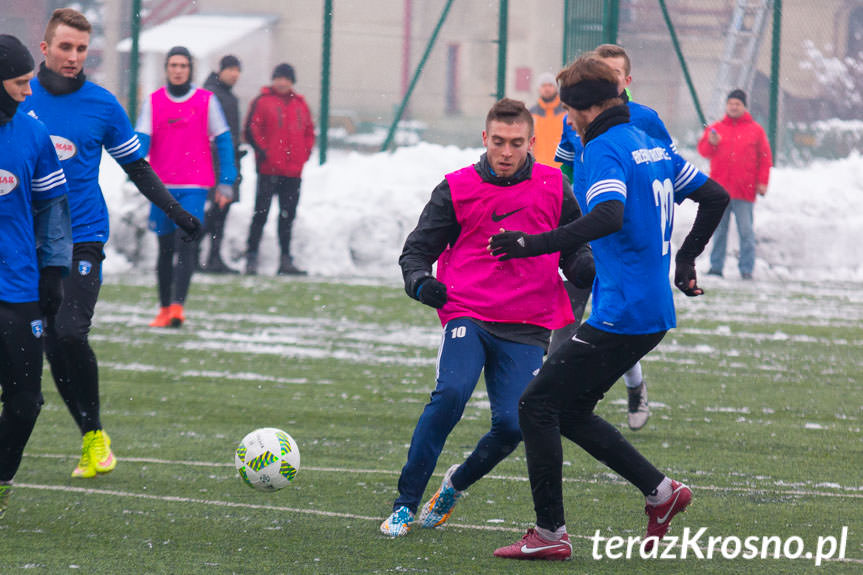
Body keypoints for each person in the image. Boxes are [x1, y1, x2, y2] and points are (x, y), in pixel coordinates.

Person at [489, 56, 728, 561]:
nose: (566, 120)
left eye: (568, 111)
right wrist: (684, 259)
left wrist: (531, 244)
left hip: (623, 312)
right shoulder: (649, 142)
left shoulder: (601, 146)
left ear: (584, 107)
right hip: (652, 310)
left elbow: (607, 214)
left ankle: (550, 534)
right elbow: (715, 195)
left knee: (535, 406)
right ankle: (661, 493)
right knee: (568, 409)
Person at [380, 98, 594, 538]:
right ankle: (405, 504)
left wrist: (583, 267)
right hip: (468, 313)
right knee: (451, 394)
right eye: (498, 141)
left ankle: (455, 485)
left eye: (516, 143)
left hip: (529, 323)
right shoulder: (456, 188)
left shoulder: (555, 186)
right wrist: (421, 283)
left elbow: (575, 247)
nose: (507, 152)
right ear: (484, 138)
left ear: (532, 143)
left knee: (516, 426)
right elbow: (416, 252)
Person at [20, 9, 202, 479]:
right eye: (65, 47)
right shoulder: (20, 98)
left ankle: (95, 435)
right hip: (27, 243)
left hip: (82, 237)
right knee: (48, 347)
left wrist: (176, 212)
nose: (73, 57)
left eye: (81, 49)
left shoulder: (103, 105)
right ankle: (89, 437)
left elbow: (136, 167)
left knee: (69, 333)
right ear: (45, 48)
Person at [551, 43, 722, 431]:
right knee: (567, 324)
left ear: (625, 82)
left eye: (610, 77)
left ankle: (625, 389)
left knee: (616, 327)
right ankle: (550, 408)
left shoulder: (645, 122)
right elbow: (564, 164)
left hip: (620, 243)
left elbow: (664, 175)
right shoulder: (573, 119)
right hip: (581, 237)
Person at [0, 34, 72, 515]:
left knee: (26, 402)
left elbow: (53, 211)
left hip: (20, 289)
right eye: (20, 82)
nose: (29, 91)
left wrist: (54, 271)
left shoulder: (32, 133)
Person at [136, 45, 237, 326]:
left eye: (183, 66)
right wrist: (129, 166)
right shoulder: (154, 101)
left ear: (190, 69)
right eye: (173, 65)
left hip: (194, 186)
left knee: (186, 244)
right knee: (164, 249)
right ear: (166, 68)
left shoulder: (206, 101)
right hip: (161, 187)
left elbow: (224, 140)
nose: (178, 70)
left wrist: (226, 181)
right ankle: (164, 308)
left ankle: (179, 306)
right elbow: (140, 142)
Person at [244, 63, 315, 276]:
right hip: (268, 170)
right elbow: (252, 129)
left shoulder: (301, 105)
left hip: (293, 171)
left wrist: (305, 154)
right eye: (279, 78)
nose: (282, 82)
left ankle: (285, 260)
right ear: (273, 80)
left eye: (286, 78)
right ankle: (251, 257)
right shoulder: (262, 102)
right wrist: (264, 152)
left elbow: (309, 132)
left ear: (292, 81)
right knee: (261, 214)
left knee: (287, 216)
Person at [698, 89, 772, 280]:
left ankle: (746, 269)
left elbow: (765, 158)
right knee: (719, 231)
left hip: (744, 190)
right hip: (719, 190)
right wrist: (712, 142)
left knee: (746, 231)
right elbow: (704, 151)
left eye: (737, 104)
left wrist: (762, 182)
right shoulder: (716, 129)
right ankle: (716, 267)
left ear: (744, 107)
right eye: (730, 103)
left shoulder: (756, 130)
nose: (733, 107)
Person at [200, 54, 244, 274]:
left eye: (238, 70)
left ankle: (212, 256)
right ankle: (195, 252)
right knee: (215, 211)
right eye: (231, 69)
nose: (235, 74)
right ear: (222, 70)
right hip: (215, 164)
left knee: (219, 212)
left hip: (227, 162)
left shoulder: (227, 96)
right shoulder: (212, 95)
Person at [529, 72, 565, 168]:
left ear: (556, 88)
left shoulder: (566, 112)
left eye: (550, 85)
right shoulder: (531, 114)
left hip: (563, 166)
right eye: (544, 85)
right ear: (539, 89)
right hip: (539, 166)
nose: (547, 88)